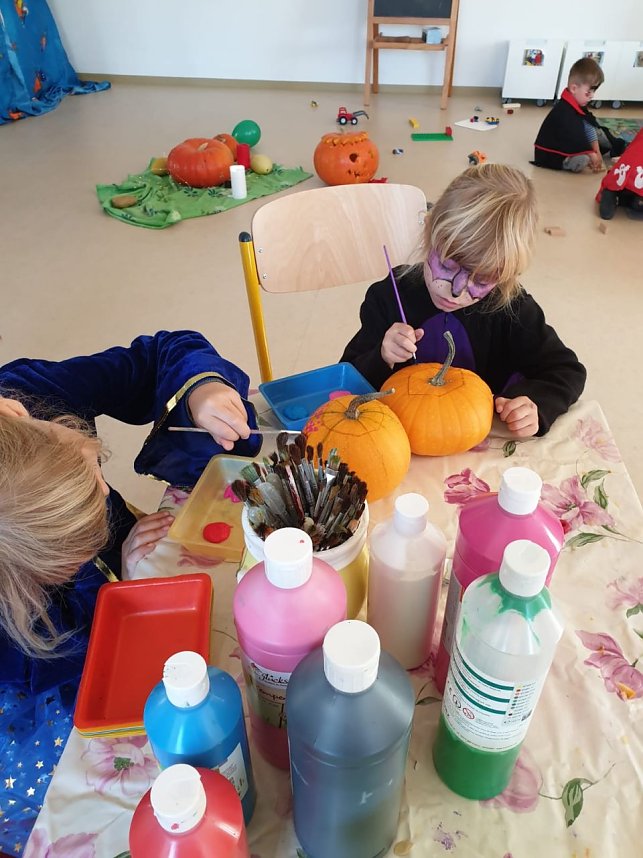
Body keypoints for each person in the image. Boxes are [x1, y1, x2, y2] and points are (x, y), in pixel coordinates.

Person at [0, 330, 260, 855]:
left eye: (93, 469)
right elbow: (86, 687)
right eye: (81, 540)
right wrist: (119, 587)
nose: (107, 490)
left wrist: (199, 388)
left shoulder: (26, 395)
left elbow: (158, 354)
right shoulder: (19, 654)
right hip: (42, 734)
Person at [341, 164, 586, 439]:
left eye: (482, 281)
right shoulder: (387, 296)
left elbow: (566, 370)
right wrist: (382, 356)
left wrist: (536, 405)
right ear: (429, 233)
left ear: (505, 275)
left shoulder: (513, 309)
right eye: (447, 265)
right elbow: (344, 382)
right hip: (396, 439)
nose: (457, 291)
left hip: (480, 442)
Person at [533, 57, 626, 172]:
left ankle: (616, 146)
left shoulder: (578, 104)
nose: (592, 96)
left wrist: (597, 154)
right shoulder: (563, 111)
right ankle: (568, 163)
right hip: (554, 155)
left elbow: (588, 127)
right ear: (574, 88)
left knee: (600, 133)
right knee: (583, 159)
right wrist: (591, 154)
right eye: (589, 92)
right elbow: (573, 136)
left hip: (575, 142)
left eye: (594, 91)